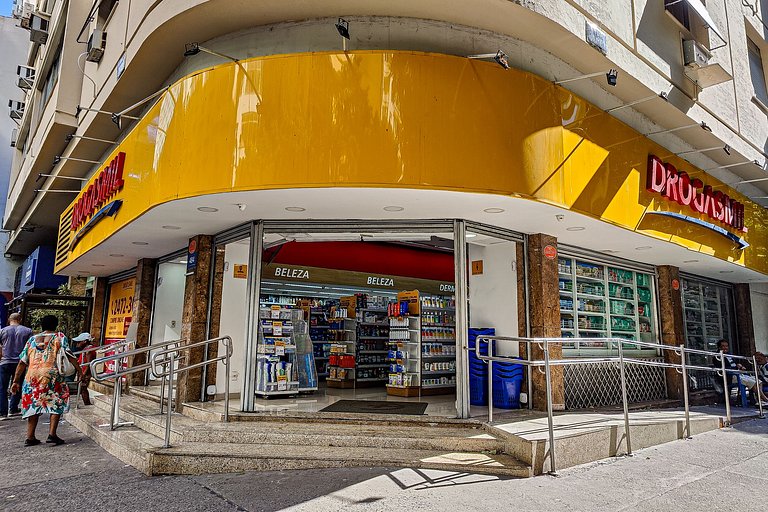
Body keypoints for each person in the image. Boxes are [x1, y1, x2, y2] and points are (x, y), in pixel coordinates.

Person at [10, 315, 82, 446]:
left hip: (31, 376)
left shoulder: (32, 340)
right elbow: (70, 355)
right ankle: (52, 435)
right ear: (55, 325)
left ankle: (30, 437)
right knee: (57, 401)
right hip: (51, 375)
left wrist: (15, 380)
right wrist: (79, 370)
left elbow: (22, 361)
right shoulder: (59, 337)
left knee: (33, 404)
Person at [0, 313, 33, 420]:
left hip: (5, 361)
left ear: (9, 319)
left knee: (2, 387)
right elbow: (31, 348)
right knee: (17, 383)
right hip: (21, 362)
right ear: (20, 319)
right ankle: (13, 408)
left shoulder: (3, 331)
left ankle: (2, 412)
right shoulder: (27, 331)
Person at [715, 339, 768, 406]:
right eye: (723, 346)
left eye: (726, 346)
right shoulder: (717, 357)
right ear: (719, 347)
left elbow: (735, 363)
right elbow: (722, 368)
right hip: (730, 376)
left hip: (739, 374)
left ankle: (760, 400)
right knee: (753, 383)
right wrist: (735, 369)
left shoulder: (729, 355)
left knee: (758, 381)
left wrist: (739, 366)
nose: (725, 348)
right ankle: (764, 399)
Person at [70, 332, 95, 406]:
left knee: (83, 388)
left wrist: (83, 374)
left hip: (85, 373)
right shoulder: (86, 349)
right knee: (82, 389)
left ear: (85, 341)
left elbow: (88, 364)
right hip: (83, 372)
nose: (78, 344)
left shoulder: (88, 350)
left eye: (79, 342)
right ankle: (87, 403)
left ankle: (87, 404)